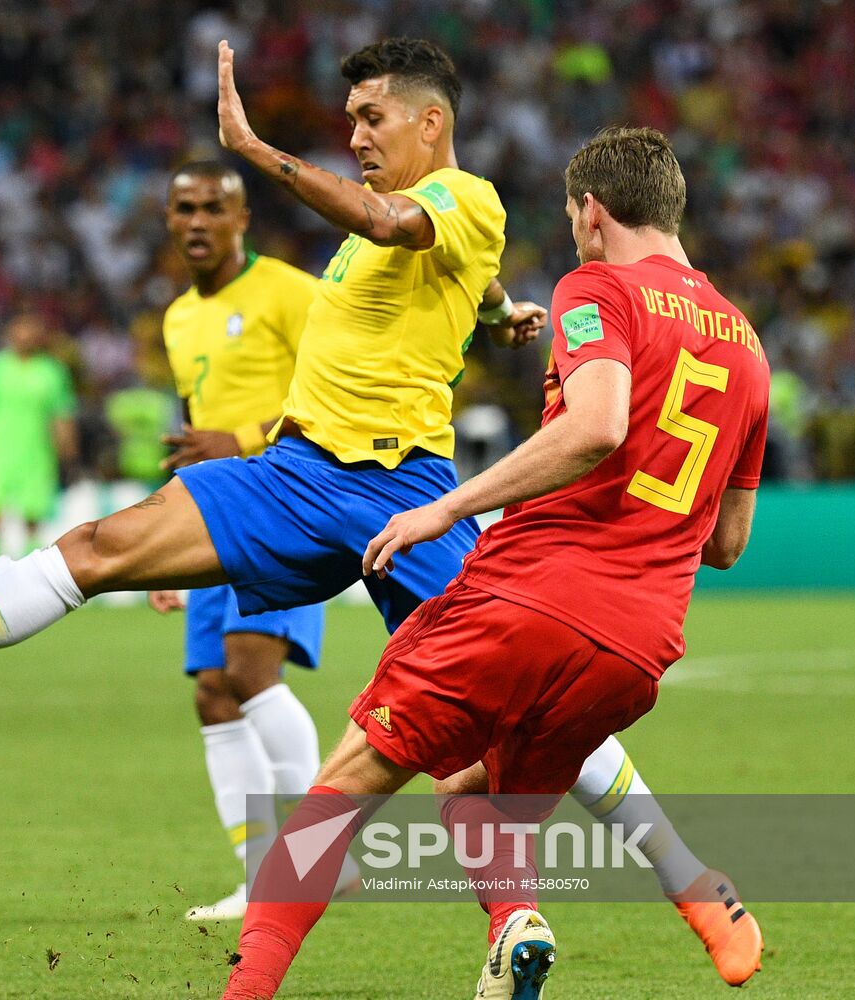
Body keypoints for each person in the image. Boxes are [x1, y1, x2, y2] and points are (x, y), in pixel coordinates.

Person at [0, 41, 757, 989]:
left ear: (431, 123)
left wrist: (257, 152)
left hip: (402, 490)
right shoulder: (410, 238)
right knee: (100, 547)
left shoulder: (462, 196)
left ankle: (687, 883)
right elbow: (437, 268)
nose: (355, 136)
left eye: (370, 118)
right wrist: (496, 313)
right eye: (348, 121)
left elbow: (399, 225)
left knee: (510, 706)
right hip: (294, 470)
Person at [221, 125, 770, 1000]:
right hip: (636, 649)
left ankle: (240, 992)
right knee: (471, 794)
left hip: (529, 598)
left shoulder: (596, 287)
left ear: (591, 213)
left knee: (342, 789)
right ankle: (554, 919)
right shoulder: (746, 346)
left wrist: (444, 505)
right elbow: (727, 543)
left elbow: (596, 426)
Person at [149, 160, 334, 920]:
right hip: (215, 516)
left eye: (211, 208)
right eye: (183, 207)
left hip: (288, 501)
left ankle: (326, 852)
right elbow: (196, 439)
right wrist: (165, 548)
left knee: (250, 668)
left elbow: (339, 388)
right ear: (169, 219)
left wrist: (245, 438)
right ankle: (260, 875)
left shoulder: (292, 292)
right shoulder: (176, 318)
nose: (197, 221)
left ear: (242, 217)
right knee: (212, 693)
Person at [0, 312, 77, 557]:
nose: (25, 336)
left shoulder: (52, 372)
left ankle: (28, 569)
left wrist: (69, 453)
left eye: (31, 331)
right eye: (21, 329)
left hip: (37, 452)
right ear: (10, 333)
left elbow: (61, 415)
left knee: (33, 515)